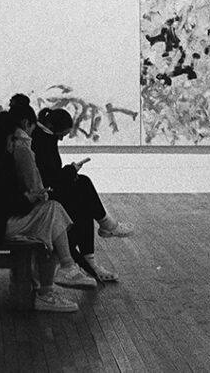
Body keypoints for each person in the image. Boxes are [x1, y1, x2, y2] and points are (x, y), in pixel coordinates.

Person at [0, 99, 96, 313]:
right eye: (13, 139)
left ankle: (62, 273)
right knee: (51, 215)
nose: (14, 144)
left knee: (51, 213)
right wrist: (28, 199)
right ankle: (56, 280)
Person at [32, 106, 134, 283]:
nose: (62, 138)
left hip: (45, 192)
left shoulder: (45, 137)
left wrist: (69, 171)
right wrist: (71, 170)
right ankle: (106, 227)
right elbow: (50, 177)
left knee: (84, 200)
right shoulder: (44, 140)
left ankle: (100, 240)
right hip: (44, 196)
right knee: (84, 186)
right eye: (62, 134)